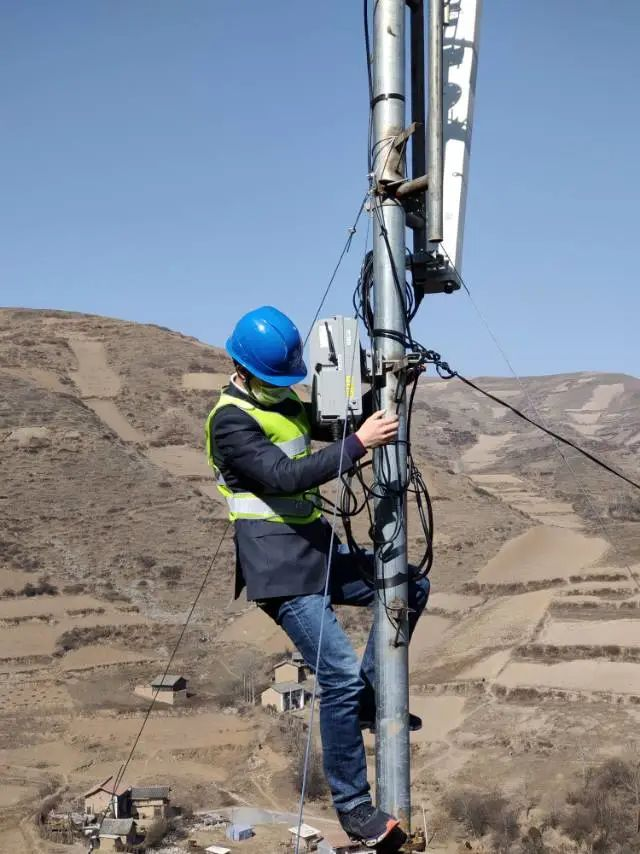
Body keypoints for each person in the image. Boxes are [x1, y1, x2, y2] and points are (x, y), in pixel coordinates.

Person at [206, 306, 429, 849]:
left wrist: (388, 391)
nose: (283, 387)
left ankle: (372, 703)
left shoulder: (279, 400)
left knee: (408, 584)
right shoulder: (230, 420)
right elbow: (283, 474)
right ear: (243, 368)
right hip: (278, 569)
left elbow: (332, 422)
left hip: (316, 549)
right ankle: (355, 809)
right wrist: (357, 446)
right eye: (273, 377)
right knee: (337, 675)